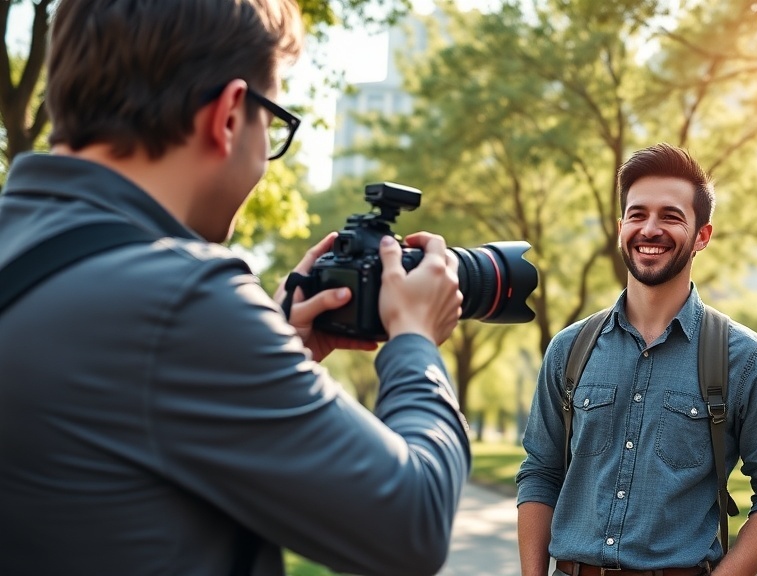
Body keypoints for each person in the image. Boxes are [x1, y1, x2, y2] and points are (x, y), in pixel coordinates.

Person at [0, 1, 469, 575]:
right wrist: (414, 341)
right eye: (272, 124)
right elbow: (412, 525)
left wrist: (266, 348)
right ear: (228, 115)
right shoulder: (183, 299)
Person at [516, 143, 757, 576]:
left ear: (702, 237)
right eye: (637, 215)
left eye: (670, 216)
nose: (649, 229)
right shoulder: (569, 348)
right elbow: (540, 472)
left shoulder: (747, 359)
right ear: (621, 228)